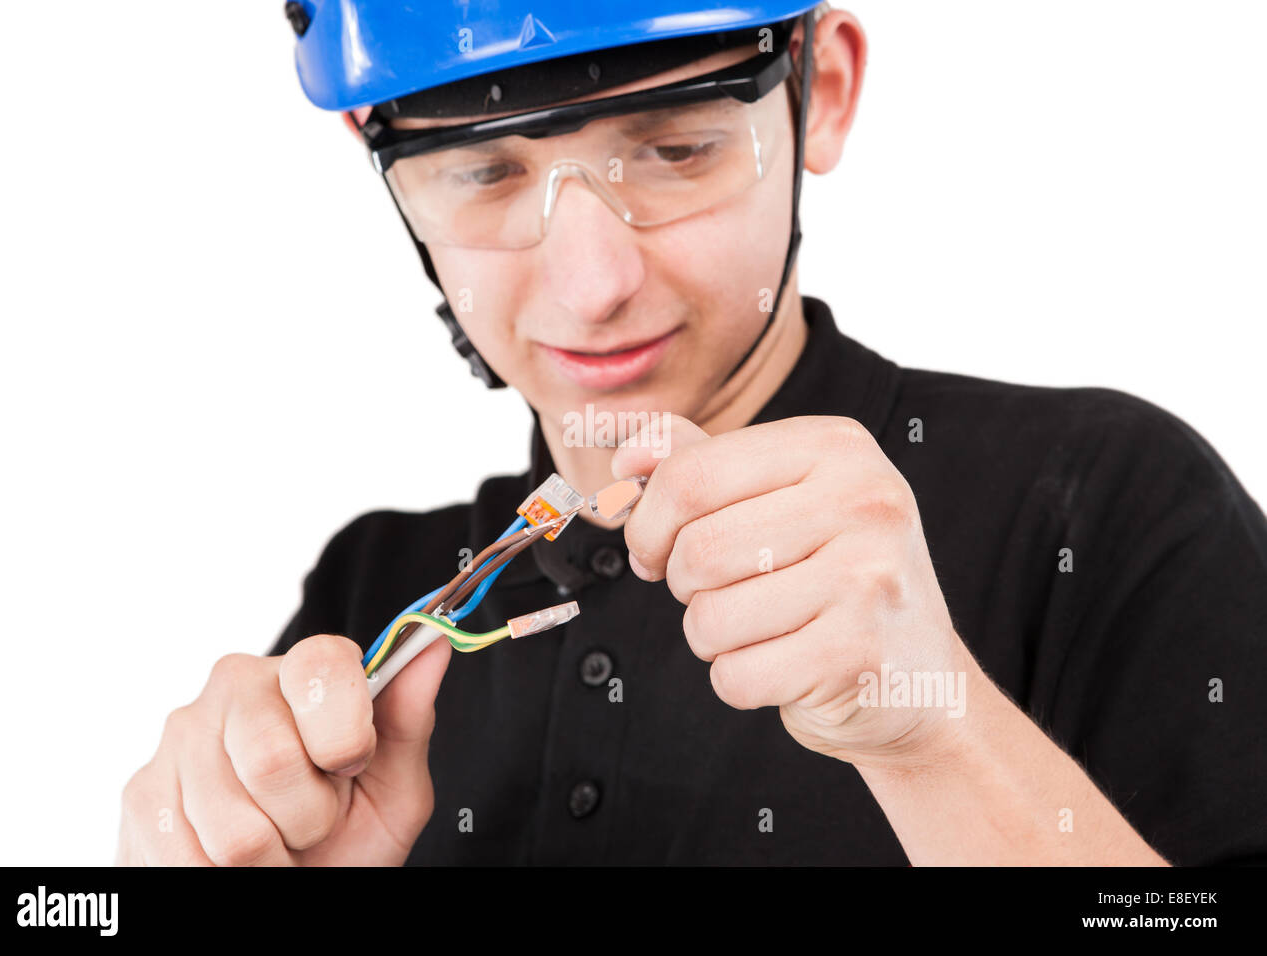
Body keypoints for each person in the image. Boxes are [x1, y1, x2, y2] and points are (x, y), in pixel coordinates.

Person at [115, 0, 1267, 865]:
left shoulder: (1107, 506)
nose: (591, 282)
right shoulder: (370, 596)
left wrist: (942, 743)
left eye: (675, 151)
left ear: (824, 81)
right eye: (481, 170)